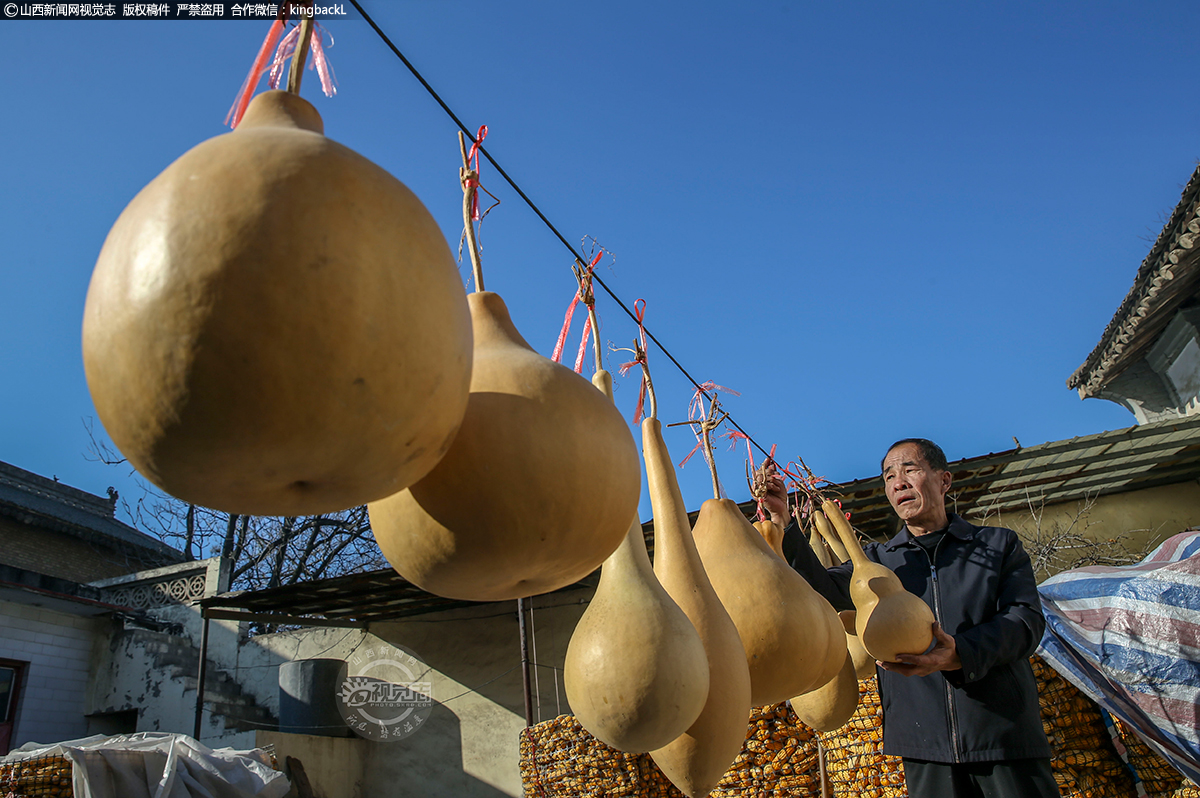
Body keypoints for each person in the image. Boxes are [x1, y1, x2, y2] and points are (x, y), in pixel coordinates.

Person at [763, 438, 1060, 798]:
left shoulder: (997, 546)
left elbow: (1025, 620)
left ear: (944, 480)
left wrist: (960, 654)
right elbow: (822, 590)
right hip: (922, 745)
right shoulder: (878, 563)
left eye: (910, 470)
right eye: (889, 476)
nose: (898, 482)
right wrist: (786, 526)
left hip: (1003, 733)